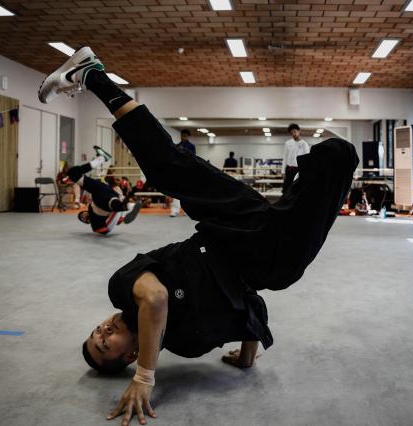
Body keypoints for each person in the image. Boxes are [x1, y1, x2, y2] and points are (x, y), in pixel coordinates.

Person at [39, 46, 358, 426]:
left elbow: (156, 299)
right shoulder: (188, 343)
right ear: (123, 357)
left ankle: (91, 75)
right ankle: (311, 176)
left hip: (226, 225)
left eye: (97, 330)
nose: (104, 329)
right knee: (338, 158)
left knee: (167, 168)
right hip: (266, 261)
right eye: (104, 343)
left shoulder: (122, 289)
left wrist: (145, 377)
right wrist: (246, 356)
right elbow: (250, 309)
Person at [64, 155, 142, 235]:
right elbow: (105, 230)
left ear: (84, 211)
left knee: (72, 173)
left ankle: (100, 159)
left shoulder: (90, 207)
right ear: (87, 222)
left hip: (100, 190)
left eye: (82, 215)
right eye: (83, 219)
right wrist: (118, 217)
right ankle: (130, 206)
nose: (84, 217)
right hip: (108, 202)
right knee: (109, 203)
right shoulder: (95, 224)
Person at [282, 124, 311, 193]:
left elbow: (307, 159)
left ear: (299, 131)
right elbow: (285, 157)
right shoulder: (288, 143)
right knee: (286, 190)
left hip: (298, 170)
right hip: (289, 169)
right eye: (291, 133)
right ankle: (285, 203)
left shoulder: (304, 144)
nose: (293, 134)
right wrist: (283, 171)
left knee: (296, 189)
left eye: (294, 131)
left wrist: (306, 172)